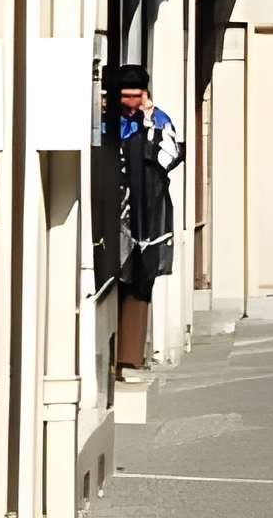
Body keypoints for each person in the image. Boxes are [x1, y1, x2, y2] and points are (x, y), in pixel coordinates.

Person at [113, 66, 184, 380]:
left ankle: (131, 355)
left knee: (142, 280)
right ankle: (114, 355)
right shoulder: (110, 121)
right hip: (117, 212)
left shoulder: (159, 121)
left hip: (149, 213)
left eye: (135, 95)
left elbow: (169, 157)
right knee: (116, 279)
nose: (130, 102)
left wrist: (149, 130)